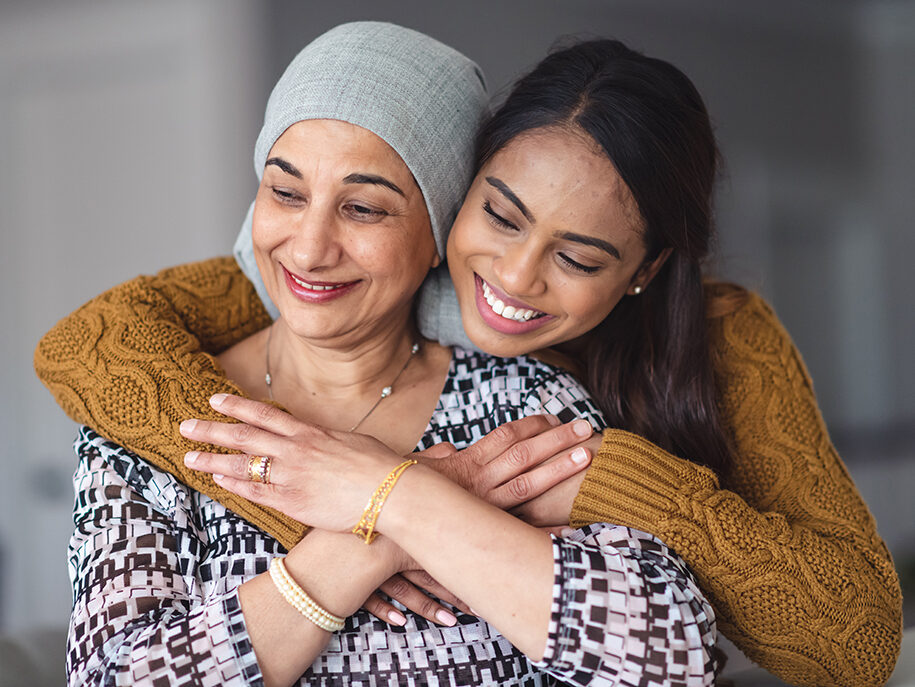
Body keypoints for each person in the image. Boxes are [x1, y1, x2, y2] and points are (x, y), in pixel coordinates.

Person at [35, 28, 902, 687]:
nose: (514, 277)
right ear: (463, 210)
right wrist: (362, 537)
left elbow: (703, 653)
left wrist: (403, 496)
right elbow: (93, 345)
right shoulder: (171, 381)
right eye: (284, 188)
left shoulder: (548, 392)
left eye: (579, 256)